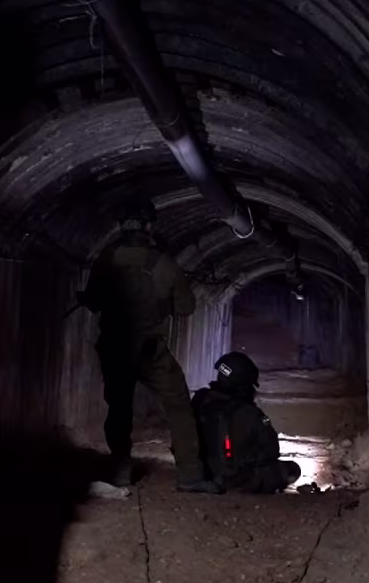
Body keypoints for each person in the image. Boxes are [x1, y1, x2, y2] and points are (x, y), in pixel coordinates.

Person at [78, 201, 221, 494]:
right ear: (148, 226)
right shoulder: (163, 263)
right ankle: (190, 475)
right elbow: (186, 307)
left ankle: (120, 472)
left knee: (119, 410)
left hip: (115, 348)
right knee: (179, 406)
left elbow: (93, 302)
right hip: (150, 350)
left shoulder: (107, 259)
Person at [191, 352, 301, 494]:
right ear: (243, 384)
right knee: (292, 469)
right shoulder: (249, 413)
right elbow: (272, 450)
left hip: (198, 473)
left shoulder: (200, 399)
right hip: (232, 479)